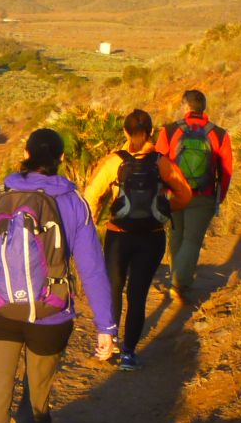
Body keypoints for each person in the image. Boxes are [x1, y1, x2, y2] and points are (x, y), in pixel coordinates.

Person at [0, 128, 116, 423]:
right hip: (51, 314)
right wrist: (105, 327)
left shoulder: (1, 193)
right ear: (61, 158)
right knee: (37, 393)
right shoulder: (73, 202)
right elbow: (92, 268)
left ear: (26, 154)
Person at [82, 108, 194, 368]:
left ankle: (108, 344)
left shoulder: (114, 162)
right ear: (151, 132)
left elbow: (91, 196)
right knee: (138, 294)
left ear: (124, 131)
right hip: (152, 237)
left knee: (113, 290)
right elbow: (185, 194)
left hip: (119, 235)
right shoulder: (161, 162)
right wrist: (164, 209)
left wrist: (93, 223)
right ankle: (129, 354)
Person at [154, 90, 234, 303]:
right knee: (192, 240)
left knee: (177, 236)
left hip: (173, 194)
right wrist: (219, 196)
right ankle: (180, 283)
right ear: (203, 108)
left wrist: (160, 192)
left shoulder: (169, 131)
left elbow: (158, 163)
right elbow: (226, 171)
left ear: (186, 106)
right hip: (203, 195)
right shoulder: (219, 134)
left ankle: (178, 280)